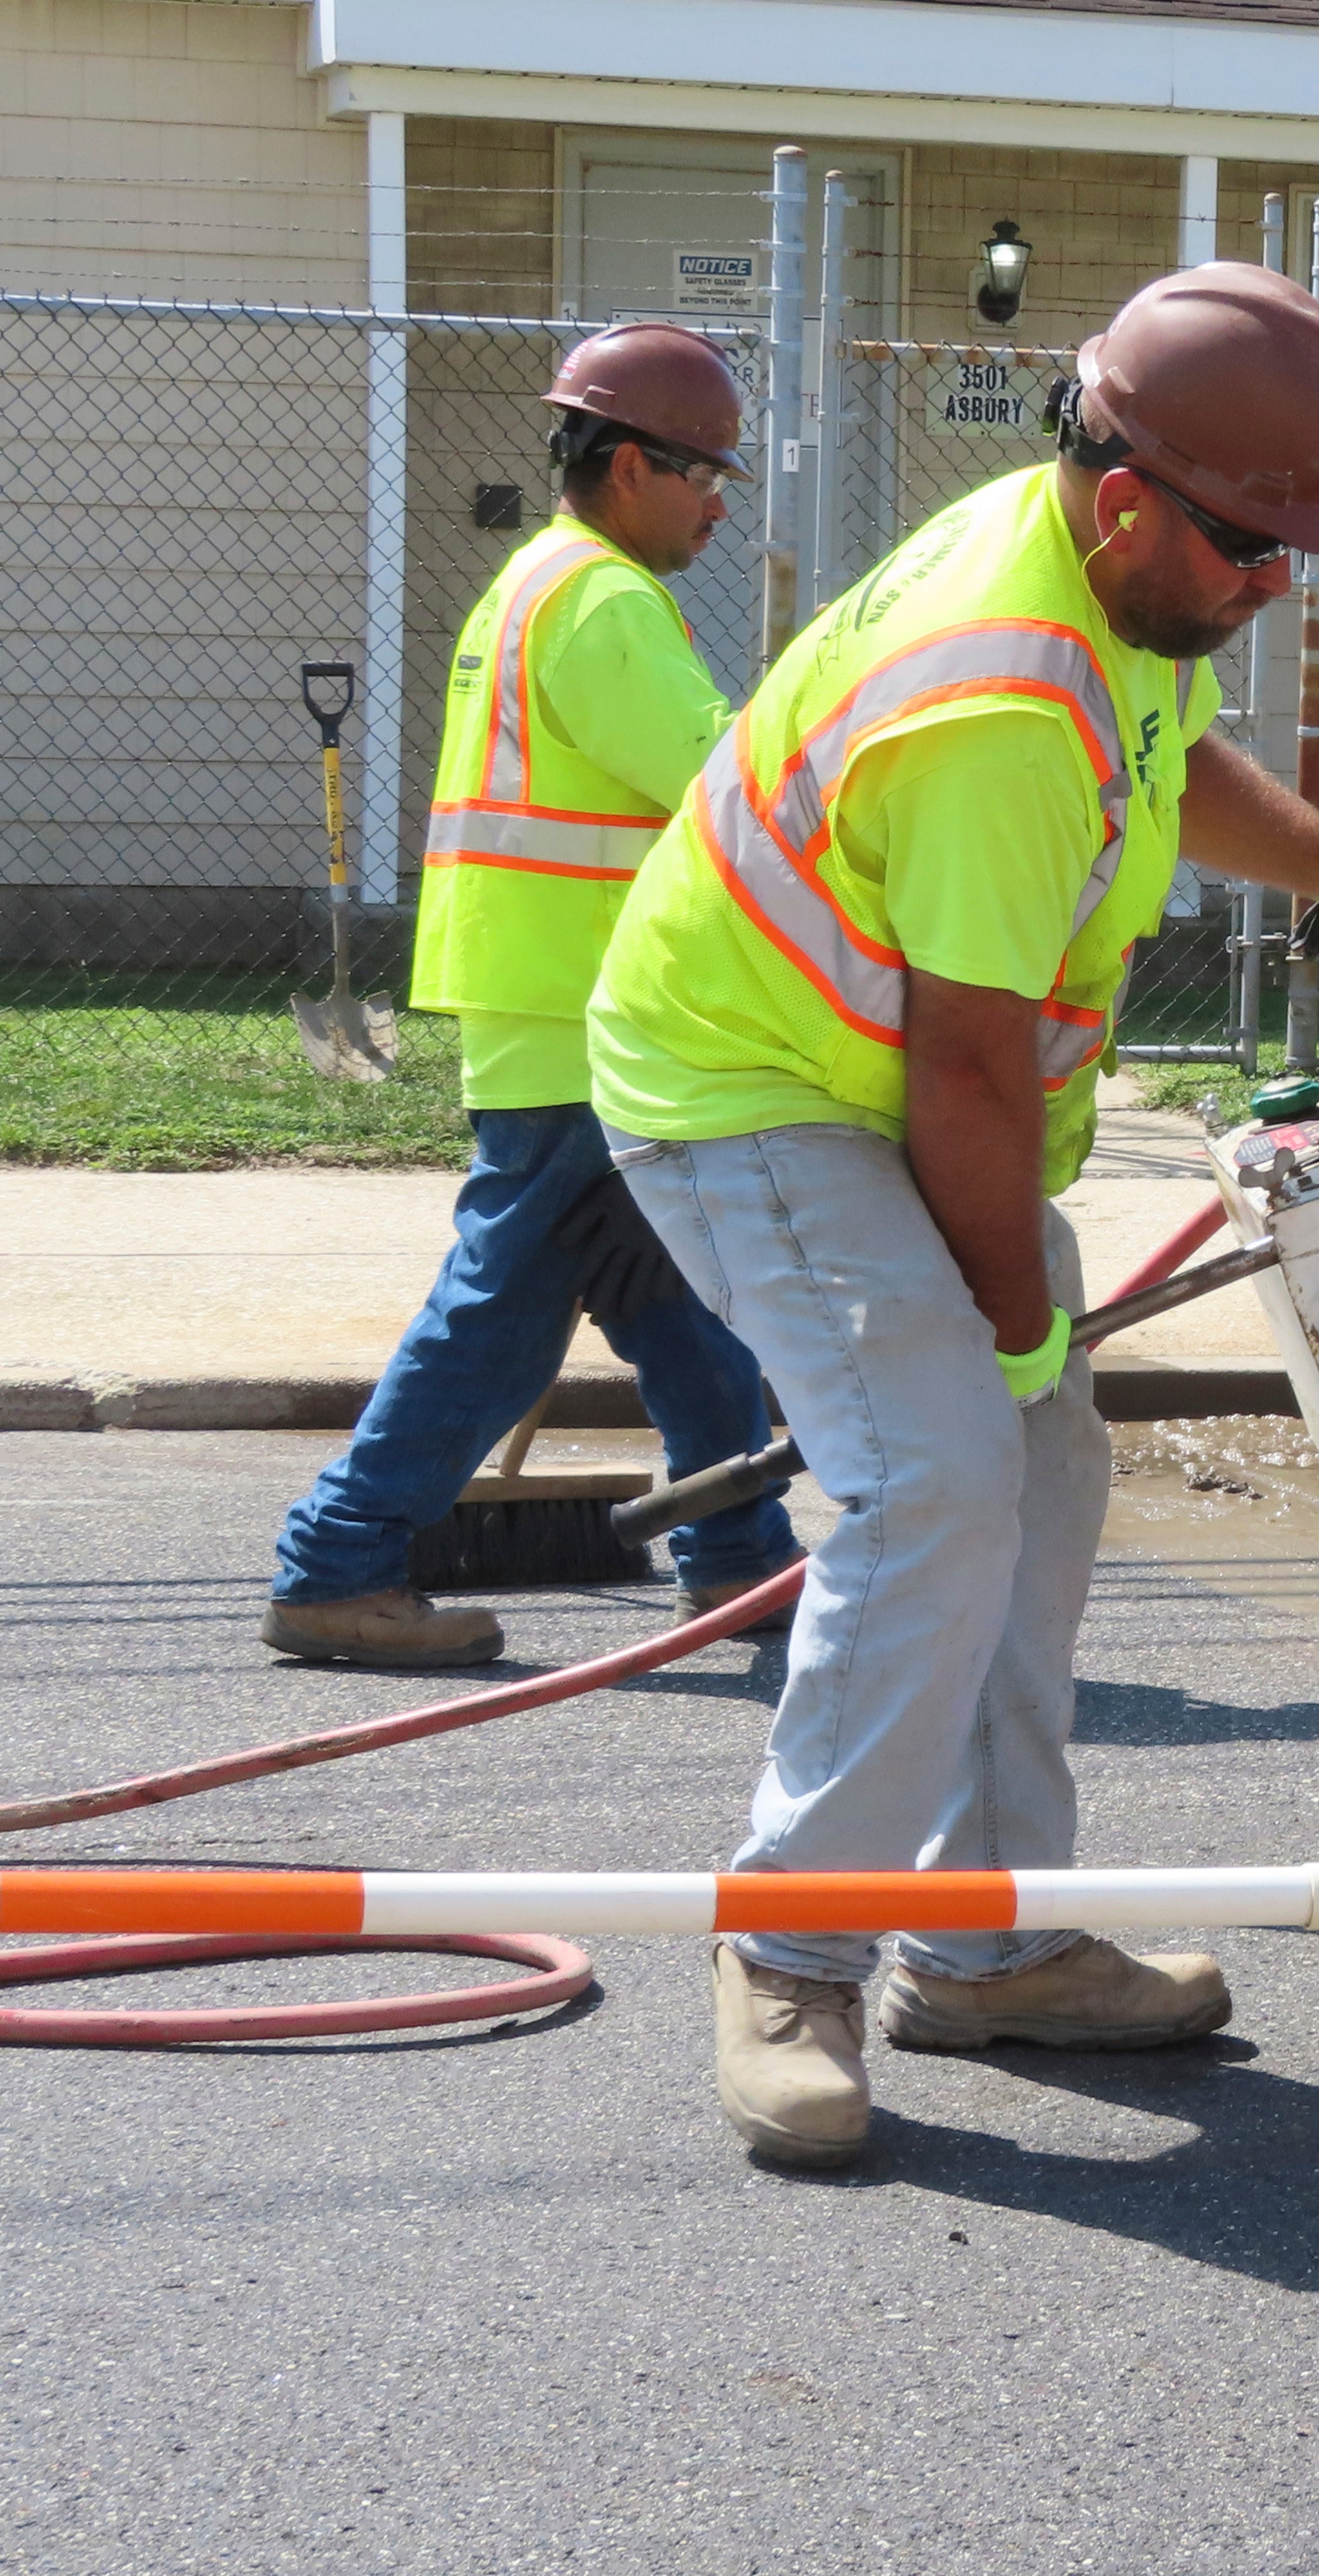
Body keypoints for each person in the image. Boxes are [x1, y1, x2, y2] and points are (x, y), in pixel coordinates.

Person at [583, 265, 1319, 2170]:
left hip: (858, 1078)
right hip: (753, 1090)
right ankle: (791, 1948)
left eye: (1300, 551)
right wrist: (1010, 1329)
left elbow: (1179, 786)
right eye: (1255, 549)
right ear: (1127, 504)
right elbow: (966, 1077)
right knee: (943, 1473)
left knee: (1043, 1476)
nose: (1283, 586)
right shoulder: (996, 697)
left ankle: (985, 1939)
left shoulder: (1103, 586)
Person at [261, 323, 797, 1671]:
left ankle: (739, 1554)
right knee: (505, 1313)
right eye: (703, 473)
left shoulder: (536, 583)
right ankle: (337, 1563)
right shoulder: (604, 602)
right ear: (627, 465)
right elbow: (728, 788)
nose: (722, 501)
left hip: (567, 1000)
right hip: (583, 1013)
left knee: (679, 1297)